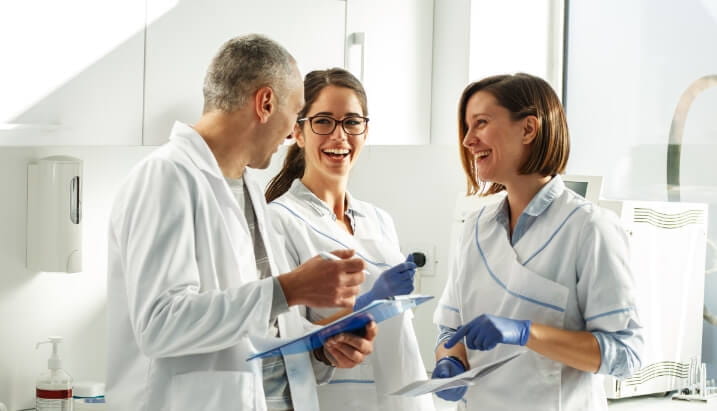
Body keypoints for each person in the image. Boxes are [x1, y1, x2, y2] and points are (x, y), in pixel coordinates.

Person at [106, 35, 379, 411]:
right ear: (265, 102)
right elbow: (159, 324)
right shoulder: (165, 178)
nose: (290, 134)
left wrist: (322, 349)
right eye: (295, 112)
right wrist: (288, 289)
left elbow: (257, 326)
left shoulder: (249, 186)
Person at [431, 73, 644, 410]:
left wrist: (526, 333)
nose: (468, 140)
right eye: (466, 128)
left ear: (528, 128)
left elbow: (625, 355)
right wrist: (449, 363)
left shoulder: (589, 228)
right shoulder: (474, 229)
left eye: (481, 123)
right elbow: (449, 332)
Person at [265, 68, 435, 411]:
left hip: (401, 398)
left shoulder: (379, 220)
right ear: (298, 132)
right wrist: (367, 302)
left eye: (352, 122)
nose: (339, 136)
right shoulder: (279, 220)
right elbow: (280, 340)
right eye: (324, 121)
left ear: (366, 130)